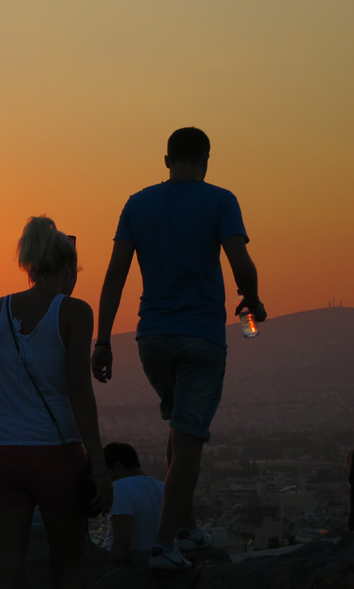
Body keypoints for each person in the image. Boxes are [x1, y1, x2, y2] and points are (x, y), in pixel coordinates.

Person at [92, 127, 267, 571]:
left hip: (151, 338)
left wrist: (102, 338)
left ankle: (186, 526)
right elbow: (240, 262)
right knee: (190, 443)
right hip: (201, 337)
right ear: (206, 159)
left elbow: (115, 275)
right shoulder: (220, 200)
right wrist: (253, 297)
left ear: (166, 159)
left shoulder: (138, 203)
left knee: (178, 428)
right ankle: (164, 544)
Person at [0, 217, 110, 589]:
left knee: (3, 570)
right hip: (56, 454)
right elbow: (79, 391)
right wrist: (98, 467)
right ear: (69, 268)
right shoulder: (74, 311)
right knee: (67, 568)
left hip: (2, 454)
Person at [101, 442, 164, 559]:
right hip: (153, 559)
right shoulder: (162, 487)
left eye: (106, 473)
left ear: (118, 468)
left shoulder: (120, 486)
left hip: (126, 563)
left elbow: (122, 541)